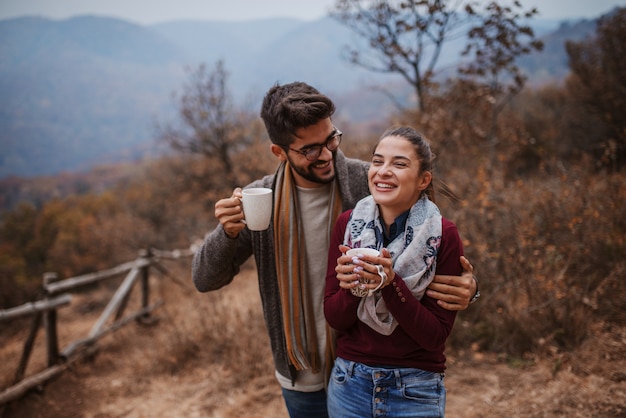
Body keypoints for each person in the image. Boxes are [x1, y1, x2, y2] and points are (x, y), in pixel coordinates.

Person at [191, 82, 478, 418]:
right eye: (310, 149)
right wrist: (227, 233)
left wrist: (470, 289)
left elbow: (426, 237)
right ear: (279, 152)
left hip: (367, 358)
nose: (327, 154)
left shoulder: (365, 180)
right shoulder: (260, 200)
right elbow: (205, 279)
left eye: (331, 139)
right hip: (303, 371)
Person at [324, 126, 462, 417]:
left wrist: (389, 283)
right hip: (350, 382)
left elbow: (434, 336)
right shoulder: (348, 226)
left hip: (415, 389)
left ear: (423, 179)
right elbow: (335, 318)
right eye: (377, 161)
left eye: (399, 164)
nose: (383, 171)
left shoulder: (443, 235)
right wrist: (353, 286)